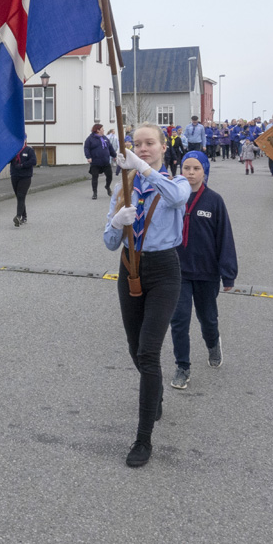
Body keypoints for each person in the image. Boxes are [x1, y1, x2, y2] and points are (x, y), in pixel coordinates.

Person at [105, 125, 191, 467]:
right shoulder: (121, 188)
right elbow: (110, 243)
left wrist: (143, 170)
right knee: (134, 347)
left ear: (162, 146)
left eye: (149, 143)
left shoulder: (175, 181)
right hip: (130, 268)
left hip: (164, 271)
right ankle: (153, 394)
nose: (142, 148)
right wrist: (116, 222)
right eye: (137, 145)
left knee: (149, 350)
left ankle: (143, 439)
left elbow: (176, 198)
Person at [169, 151, 236, 390]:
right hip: (178, 271)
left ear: (204, 171)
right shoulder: (172, 197)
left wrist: (228, 273)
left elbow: (224, 237)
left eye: (196, 168)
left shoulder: (214, 201)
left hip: (206, 272)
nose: (190, 173)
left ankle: (213, 342)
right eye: (186, 168)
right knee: (179, 320)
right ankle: (182, 366)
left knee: (207, 318)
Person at [84, 123, 116, 200]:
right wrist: (88, 157)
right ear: (98, 130)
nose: (103, 130)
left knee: (110, 176)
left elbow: (110, 148)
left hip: (105, 162)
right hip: (95, 162)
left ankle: (107, 186)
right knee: (95, 178)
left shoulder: (105, 138)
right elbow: (86, 148)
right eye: (102, 129)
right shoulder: (90, 139)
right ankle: (95, 193)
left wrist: (114, 155)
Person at [10, 136, 37, 226]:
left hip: (25, 177)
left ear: (25, 140)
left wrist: (22, 165)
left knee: (21, 196)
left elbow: (34, 161)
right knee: (19, 197)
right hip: (14, 176)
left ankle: (18, 217)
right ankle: (24, 216)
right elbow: (7, 161)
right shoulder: (13, 150)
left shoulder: (29, 150)